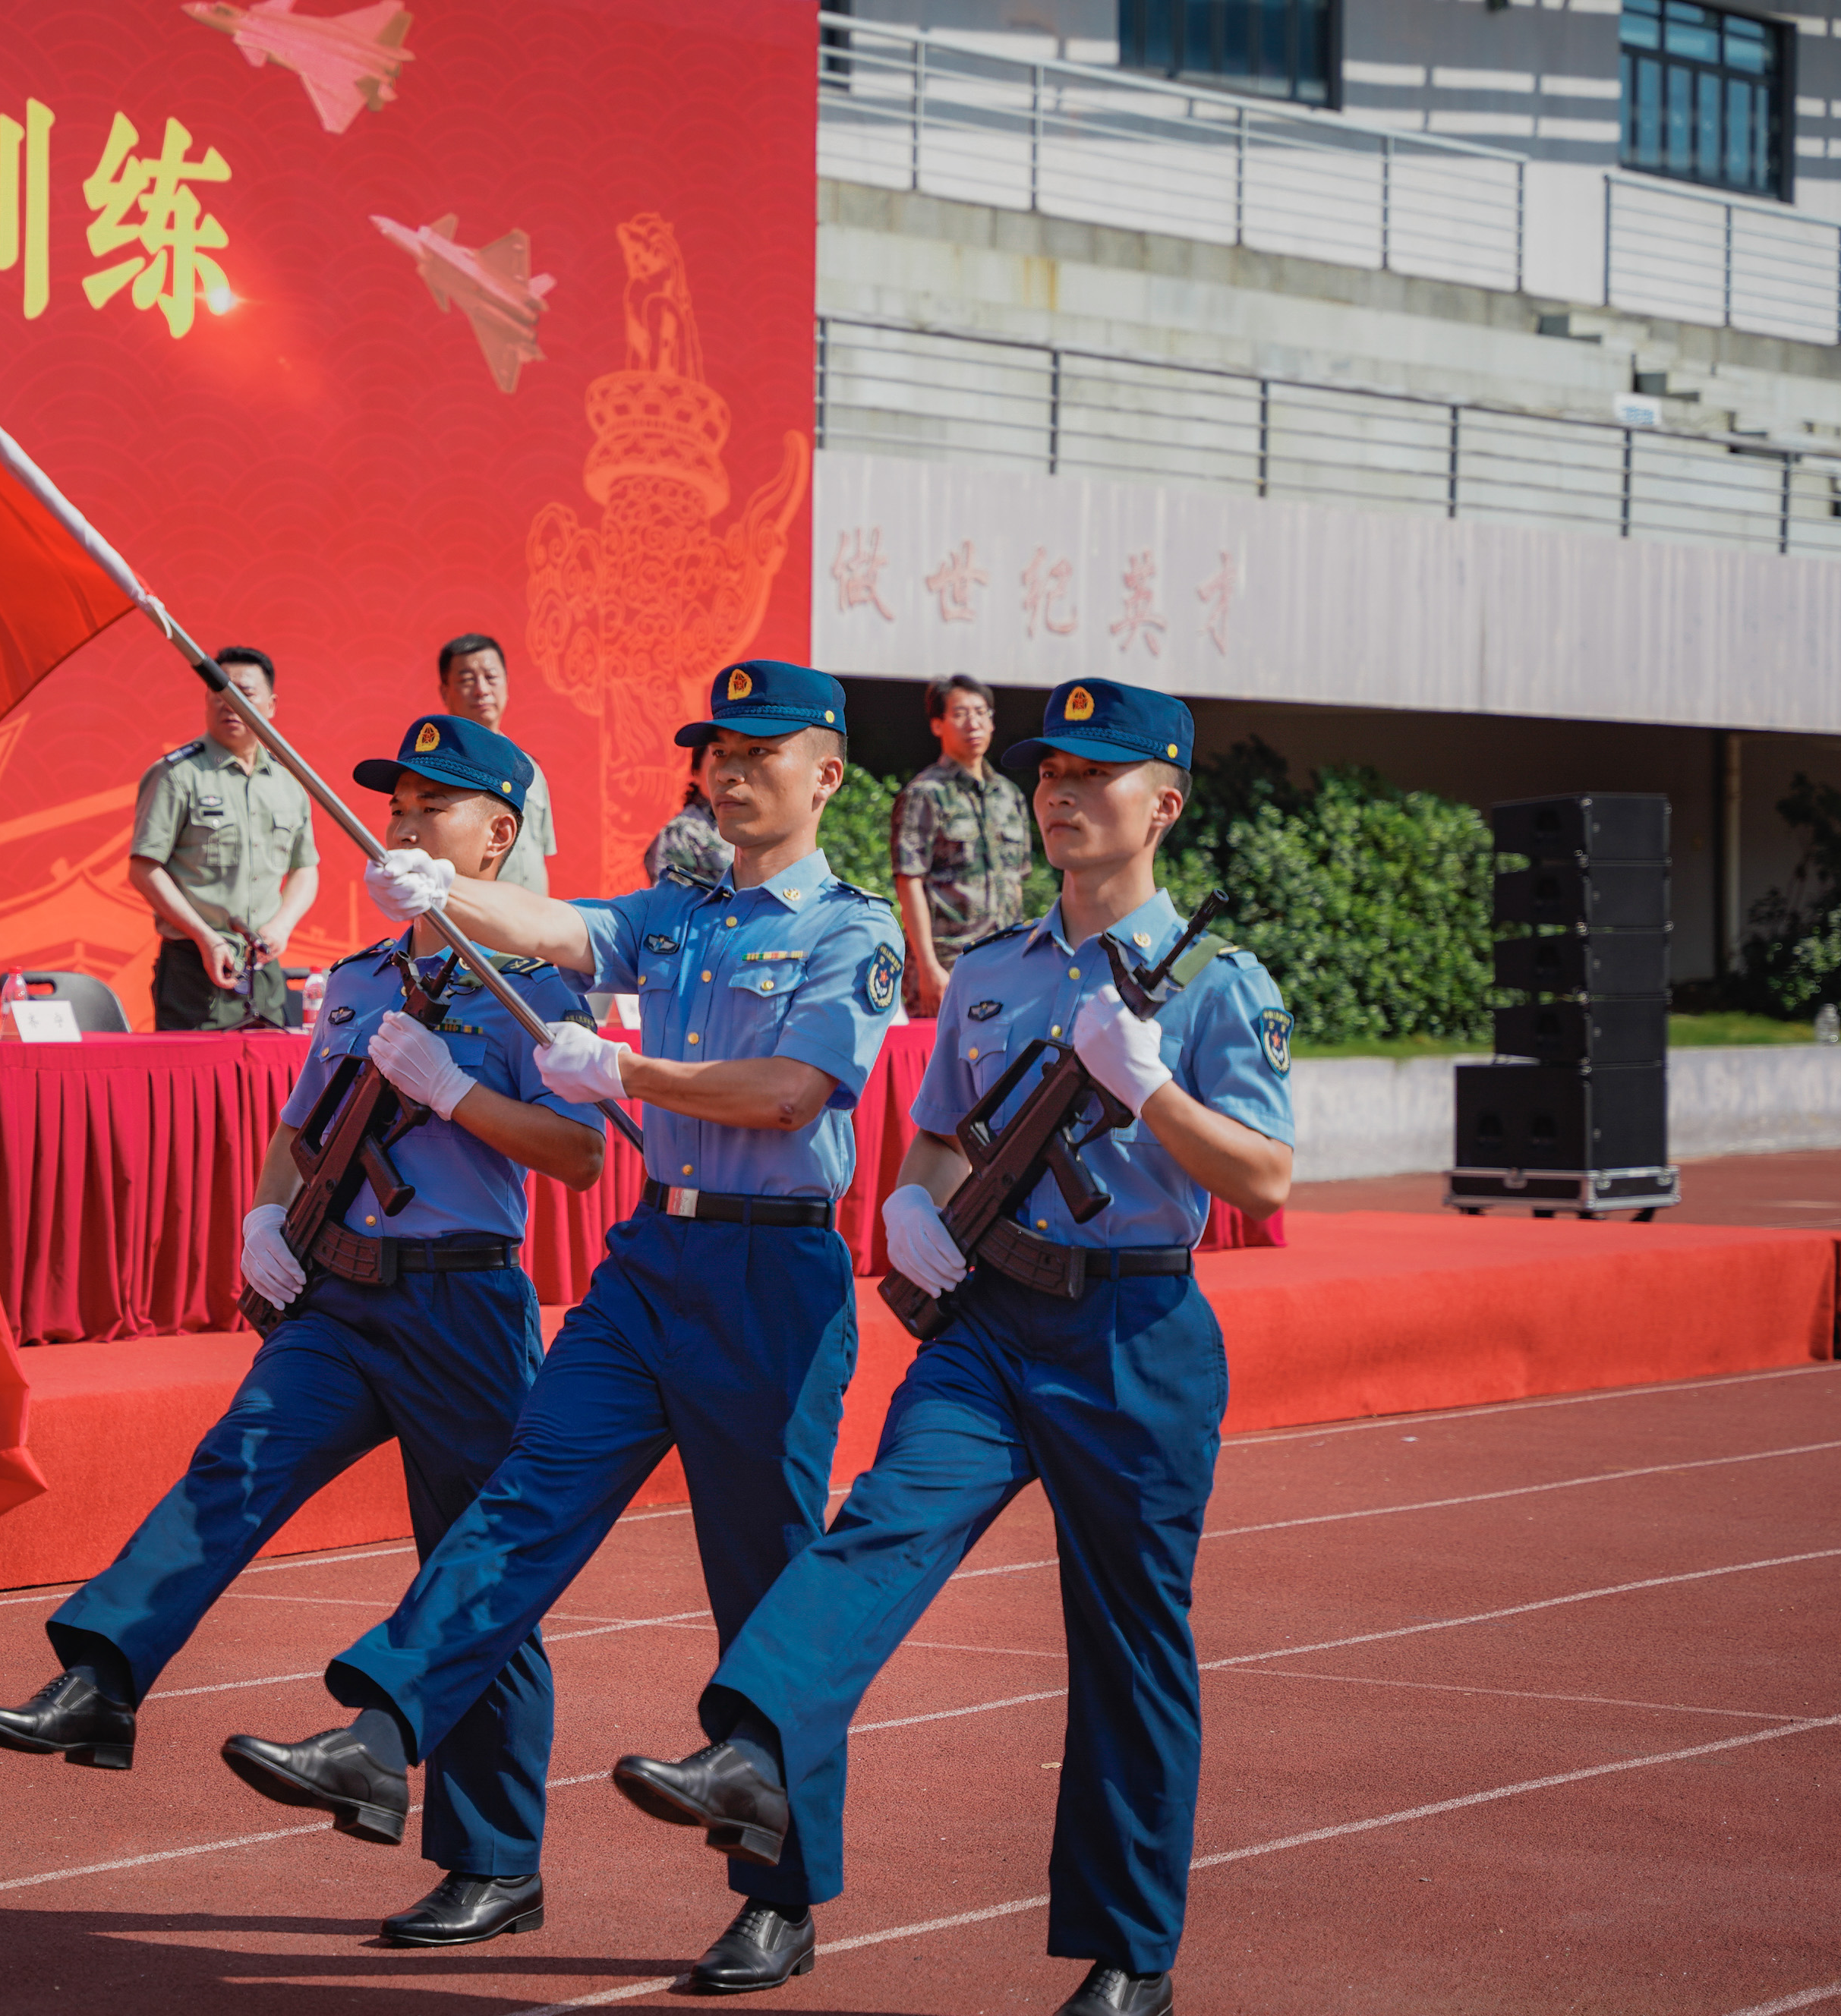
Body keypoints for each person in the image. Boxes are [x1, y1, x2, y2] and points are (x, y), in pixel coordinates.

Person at [607, 678, 1294, 2016]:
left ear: (1158, 804)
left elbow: (1263, 1177)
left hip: (1133, 1331)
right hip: (989, 1325)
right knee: (877, 1528)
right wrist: (914, 1207)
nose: (1057, 795)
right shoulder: (988, 973)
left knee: (1126, 1642)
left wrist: (1145, 1084)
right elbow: (936, 1133)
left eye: (1090, 777)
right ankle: (750, 1743)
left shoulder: (1218, 983)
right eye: (1047, 774)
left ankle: (1126, 1954)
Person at [219, 660, 905, 1995]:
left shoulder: (847, 929)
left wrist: (632, 1073)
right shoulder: (681, 913)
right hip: (655, 1255)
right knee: (519, 1499)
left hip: (774, 1271)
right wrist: (439, 889)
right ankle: (382, 1726)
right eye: (716, 749)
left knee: (761, 1582)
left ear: (823, 773)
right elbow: (562, 927)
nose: (731, 768)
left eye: (761, 749)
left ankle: (778, 1894)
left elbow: (788, 1091)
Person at [0, 713, 604, 1948]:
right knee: (230, 1468)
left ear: (497, 831)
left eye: (433, 802)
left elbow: (580, 1158)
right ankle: (100, 1678)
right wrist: (264, 1219)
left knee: (468, 1568)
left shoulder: (533, 990)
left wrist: (458, 1092)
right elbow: (301, 1122)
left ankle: (492, 1860)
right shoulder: (361, 979)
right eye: (396, 800)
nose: (404, 820)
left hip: (462, 1302)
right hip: (340, 1296)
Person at [128, 647, 317, 1032]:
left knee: (270, 1085)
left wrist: (282, 926)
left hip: (263, 968)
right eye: (219, 694)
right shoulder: (178, 774)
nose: (228, 704)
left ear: (271, 705)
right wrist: (204, 936)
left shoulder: (289, 782)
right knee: (190, 1087)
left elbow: (305, 868)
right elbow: (144, 868)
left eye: (243, 694)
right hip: (194, 967)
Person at [891, 673, 1034, 1019]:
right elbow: (909, 881)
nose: (973, 722)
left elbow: (1017, 882)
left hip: (1007, 964)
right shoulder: (923, 794)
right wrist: (927, 968)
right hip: (950, 965)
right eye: (960, 713)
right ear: (938, 725)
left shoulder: (1010, 795)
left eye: (981, 712)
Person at [433, 634, 556, 895]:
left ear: (507, 684)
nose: (481, 690)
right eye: (467, 680)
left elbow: (540, 855)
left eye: (491, 677)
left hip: (532, 922)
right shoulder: (437, 771)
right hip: (471, 923)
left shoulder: (529, 768)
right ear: (445, 691)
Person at [642, 740, 733, 887]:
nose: (730, 775)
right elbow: (671, 903)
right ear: (696, 773)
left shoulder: (754, 823)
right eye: (718, 758)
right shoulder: (680, 833)